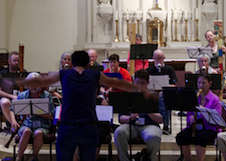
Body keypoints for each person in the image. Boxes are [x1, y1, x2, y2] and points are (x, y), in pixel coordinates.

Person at [16, 50, 153, 161]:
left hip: (67, 125)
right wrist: (143, 89)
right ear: (88, 64)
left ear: (72, 63)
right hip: (88, 125)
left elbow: (41, 81)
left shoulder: (64, 74)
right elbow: (119, 83)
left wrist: (15, 82)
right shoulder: (94, 75)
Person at [114, 69, 163, 161]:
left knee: (154, 137)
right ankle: (124, 159)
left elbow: (161, 119)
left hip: (150, 125)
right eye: (137, 82)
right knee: (118, 132)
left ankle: (149, 159)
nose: (139, 86)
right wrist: (130, 117)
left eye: (143, 83)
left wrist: (147, 110)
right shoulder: (129, 95)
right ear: (134, 81)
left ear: (148, 82)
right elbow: (121, 119)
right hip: (132, 125)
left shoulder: (155, 96)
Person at [8, 72, 55, 161]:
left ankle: (35, 157)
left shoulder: (46, 95)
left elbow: (52, 116)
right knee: (26, 131)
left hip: (42, 125)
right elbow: (12, 111)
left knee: (39, 133)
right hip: (26, 124)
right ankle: (19, 158)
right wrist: (13, 122)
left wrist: (38, 112)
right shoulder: (22, 95)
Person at [175, 73, 222, 161]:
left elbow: (216, 119)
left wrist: (204, 111)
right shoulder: (195, 97)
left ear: (210, 84)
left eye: (204, 83)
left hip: (209, 128)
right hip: (195, 126)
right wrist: (191, 118)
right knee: (181, 137)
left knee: (200, 137)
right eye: (199, 82)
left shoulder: (215, 99)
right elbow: (189, 114)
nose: (201, 85)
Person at [146, 49, 177, 134]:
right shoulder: (149, 70)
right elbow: (145, 85)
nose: (158, 60)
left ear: (164, 58)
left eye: (160, 58)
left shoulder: (169, 69)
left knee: (165, 99)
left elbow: (174, 85)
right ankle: (155, 122)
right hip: (153, 94)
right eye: (156, 58)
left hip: (165, 93)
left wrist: (165, 87)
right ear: (153, 58)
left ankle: (166, 125)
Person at [0, 51, 27, 125]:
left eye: (18, 61)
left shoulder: (23, 72)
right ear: (9, 61)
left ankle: (25, 124)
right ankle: (14, 124)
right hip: (7, 96)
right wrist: (12, 96)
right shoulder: (3, 73)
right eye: (14, 61)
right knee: (5, 102)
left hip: (20, 96)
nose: (16, 63)